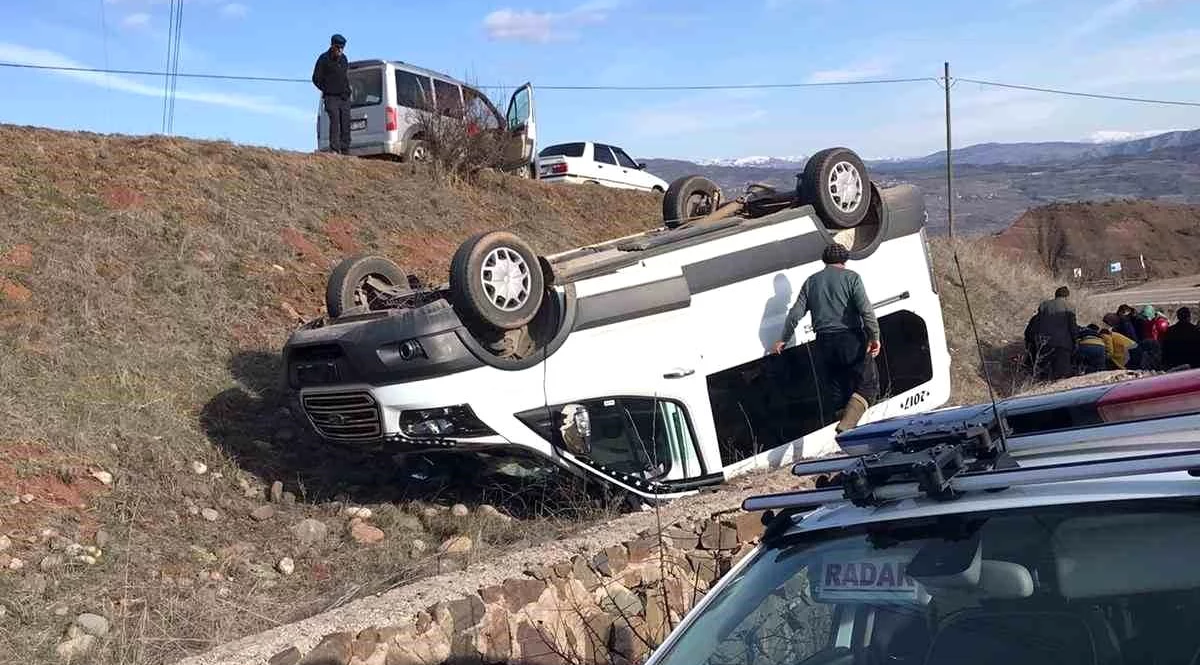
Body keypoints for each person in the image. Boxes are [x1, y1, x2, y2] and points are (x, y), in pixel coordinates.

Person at [773, 242, 880, 433]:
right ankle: (846, 426)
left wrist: (784, 338)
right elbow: (866, 310)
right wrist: (874, 336)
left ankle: (846, 434)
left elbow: (794, 314)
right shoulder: (852, 278)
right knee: (868, 386)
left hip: (823, 342)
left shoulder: (811, 281)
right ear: (845, 260)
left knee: (839, 389)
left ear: (825, 260)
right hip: (850, 338)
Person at [312, 34, 351, 155]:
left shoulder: (344, 59)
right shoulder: (323, 59)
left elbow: (345, 77)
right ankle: (334, 149)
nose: (340, 50)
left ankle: (345, 150)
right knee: (334, 121)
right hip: (330, 97)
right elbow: (315, 78)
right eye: (338, 47)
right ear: (332, 46)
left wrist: (347, 91)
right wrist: (326, 89)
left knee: (345, 123)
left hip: (344, 97)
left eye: (342, 48)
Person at [1032, 286, 1078, 381]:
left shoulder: (1044, 305)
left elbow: (1037, 324)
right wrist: (1076, 340)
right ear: (1066, 296)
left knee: (1045, 374)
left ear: (1056, 295)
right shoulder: (1069, 306)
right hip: (1062, 344)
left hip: (1045, 343)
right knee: (1062, 376)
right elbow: (1072, 327)